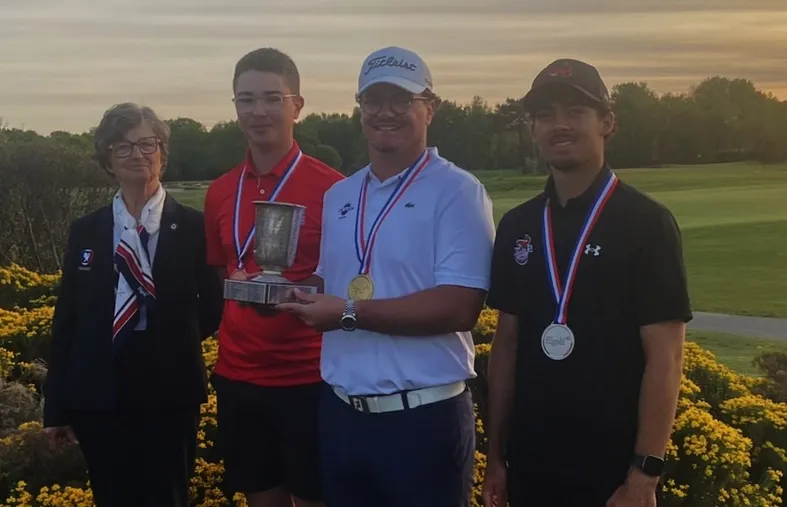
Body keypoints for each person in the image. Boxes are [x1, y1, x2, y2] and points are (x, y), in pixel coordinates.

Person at [277, 46, 496, 507]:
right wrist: (284, 290)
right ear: (360, 108)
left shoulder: (457, 191)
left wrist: (349, 313)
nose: (386, 113)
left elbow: (460, 306)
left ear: (429, 108)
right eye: (374, 101)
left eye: (402, 100)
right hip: (342, 414)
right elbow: (331, 285)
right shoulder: (340, 194)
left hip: (423, 417)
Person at [481, 58, 692, 507]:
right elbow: (508, 345)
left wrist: (644, 477)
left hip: (612, 475)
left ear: (607, 122)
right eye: (545, 115)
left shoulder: (647, 223)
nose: (559, 125)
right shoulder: (518, 225)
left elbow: (666, 356)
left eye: (575, 111)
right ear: (533, 129)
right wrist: (496, 457)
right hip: (531, 468)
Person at [42, 102, 224, 507]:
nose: (136, 155)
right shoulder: (86, 231)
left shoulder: (196, 227)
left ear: (162, 151)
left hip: (170, 390)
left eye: (146, 144)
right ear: (107, 158)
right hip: (97, 394)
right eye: (122, 147)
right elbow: (67, 321)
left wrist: (173, 338)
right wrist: (55, 408)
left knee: (168, 497)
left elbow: (214, 306)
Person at [203, 48, 344, 507]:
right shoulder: (221, 191)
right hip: (238, 377)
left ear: (297, 106)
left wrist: (302, 294)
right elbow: (224, 270)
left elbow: (346, 280)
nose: (257, 112)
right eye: (245, 100)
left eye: (271, 98)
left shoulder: (336, 189)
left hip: (311, 378)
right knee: (261, 498)